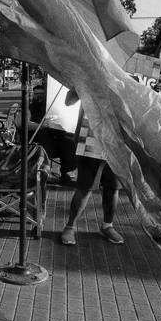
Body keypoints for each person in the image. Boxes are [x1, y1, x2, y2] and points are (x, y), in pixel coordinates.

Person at [60, 89, 124, 245]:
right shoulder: (88, 72)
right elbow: (68, 101)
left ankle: (107, 226)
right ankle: (70, 226)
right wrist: (77, 86)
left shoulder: (130, 76)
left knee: (113, 187)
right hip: (90, 140)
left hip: (117, 142)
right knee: (85, 187)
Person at [18, 84, 78, 185]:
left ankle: (65, 173)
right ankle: (39, 172)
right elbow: (20, 123)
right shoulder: (29, 108)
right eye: (37, 94)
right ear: (33, 95)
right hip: (36, 141)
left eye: (42, 93)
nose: (39, 96)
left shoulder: (52, 107)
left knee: (69, 143)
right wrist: (40, 126)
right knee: (45, 141)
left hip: (53, 139)